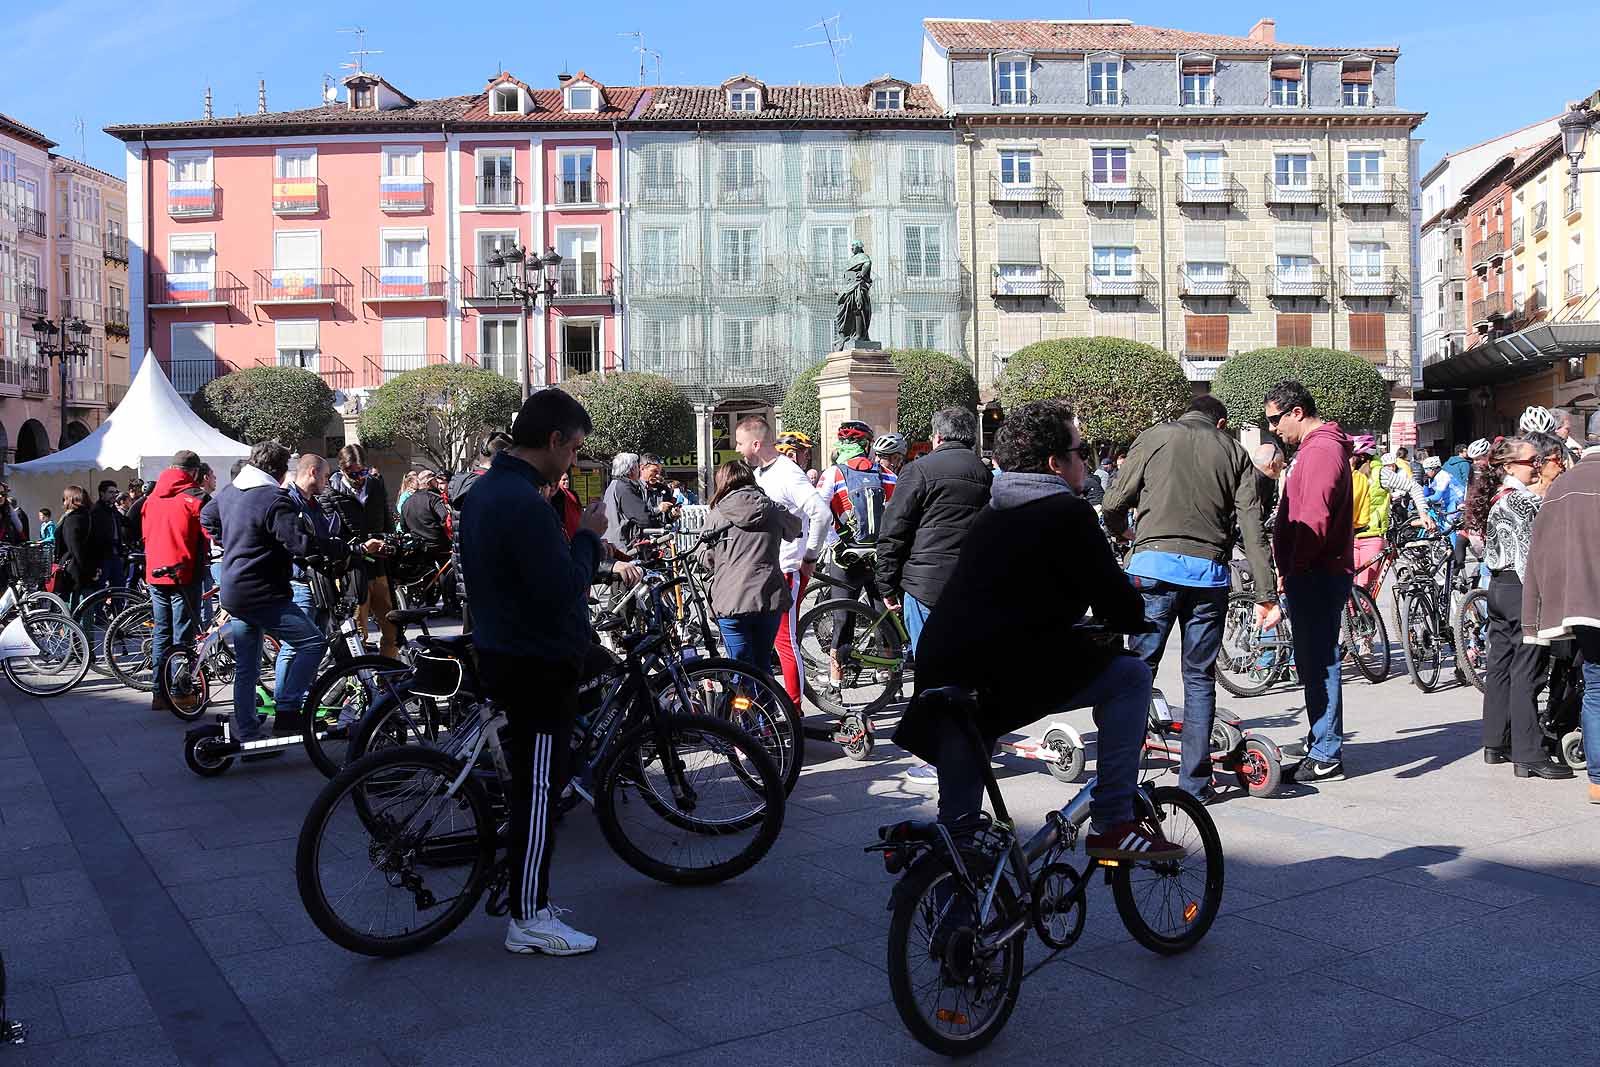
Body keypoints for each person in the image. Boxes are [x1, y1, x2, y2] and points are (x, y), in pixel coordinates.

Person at [893, 399, 1183, 861]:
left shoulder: (993, 512)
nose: (1086, 460)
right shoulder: (1067, 513)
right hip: (999, 672)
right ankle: (1112, 821)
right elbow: (1121, 608)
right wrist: (1125, 614)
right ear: (1055, 464)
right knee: (1130, 676)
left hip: (942, 663)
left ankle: (954, 887)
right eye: (1081, 450)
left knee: (960, 825)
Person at [461, 388, 641, 956]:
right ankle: (529, 915)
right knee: (539, 791)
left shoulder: (492, 489)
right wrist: (587, 534)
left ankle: (528, 896)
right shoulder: (522, 500)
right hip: (535, 663)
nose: (573, 462)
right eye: (574, 449)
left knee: (533, 784)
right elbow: (564, 585)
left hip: (506, 649)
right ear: (555, 439)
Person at [1104, 394, 1278, 801]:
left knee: (1137, 672)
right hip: (1208, 577)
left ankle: (1122, 776)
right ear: (1221, 424)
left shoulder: (1155, 437)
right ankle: (1195, 784)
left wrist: (1122, 533)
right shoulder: (1234, 451)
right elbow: (1252, 526)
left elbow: (1114, 500)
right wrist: (1266, 594)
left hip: (1153, 570)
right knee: (1199, 677)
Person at [876, 408, 993, 786]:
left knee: (930, 671)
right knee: (967, 670)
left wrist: (886, 585)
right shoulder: (984, 473)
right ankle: (973, 745)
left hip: (926, 584)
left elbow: (894, 529)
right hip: (971, 586)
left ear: (937, 436)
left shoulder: (920, 470)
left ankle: (935, 756)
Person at [201, 441, 345, 744]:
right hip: (261, 591)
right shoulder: (273, 498)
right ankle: (289, 712)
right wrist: (339, 548)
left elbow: (207, 516)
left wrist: (232, 542)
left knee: (247, 666)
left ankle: (249, 730)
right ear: (281, 472)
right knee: (312, 642)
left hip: (234, 589)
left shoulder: (230, 491)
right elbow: (300, 544)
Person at [1264, 380, 1354, 783]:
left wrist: (1294, 569)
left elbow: (1313, 520)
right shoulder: (1314, 450)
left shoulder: (1320, 451)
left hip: (1315, 574)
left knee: (1319, 663)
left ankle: (1326, 754)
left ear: (1296, 412)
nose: (1272, 430)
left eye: (1274, 420)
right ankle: (1322, 738)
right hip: (1313, 572)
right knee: (1315, 661)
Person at [1470, 434, 1573, 781]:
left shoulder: (1499, 497)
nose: (1538, 466)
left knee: (1501, 665)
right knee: (1528, 668)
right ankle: (1529, 753)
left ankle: (1495, 743)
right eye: (1533, 462)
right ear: (1510, 465)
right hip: (1522, 589)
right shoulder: (1521, 501)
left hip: (1500, 586)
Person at [1522, 411, 1600, 803]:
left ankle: (1598, 781)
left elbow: (1541, 551)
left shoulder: (1564, 485)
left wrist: (1541, 609)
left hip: (1580, 605)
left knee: (1596, 686)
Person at [734, 415, 831, 705]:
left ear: (755, 443)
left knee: (784, 642)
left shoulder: (788, 473)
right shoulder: (761, 473)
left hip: (787, 569)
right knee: (768, 643)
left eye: (739, 443)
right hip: (765, 571)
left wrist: (810, 556)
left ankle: (794, 710)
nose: (737, 449)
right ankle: (771, 708)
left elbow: (821, 514)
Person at [696, 459, 802, 669]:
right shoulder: (772, 508)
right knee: (763, 667)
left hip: (730, 600)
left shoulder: (717, 514)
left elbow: (705, 557)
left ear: (723, 482)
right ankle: (767, 702)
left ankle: (741, 699)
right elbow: (796, 528)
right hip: (768, 596)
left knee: (739, 669)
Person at [817, 421, 898, 692]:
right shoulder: (886, 475)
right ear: (867, 445)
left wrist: (834, 544)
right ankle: (887, 675)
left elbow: (818, 513)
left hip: (845, 557)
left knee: (842, 618)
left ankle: (835, 683)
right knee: (883, 613)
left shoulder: (832, 474)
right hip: (879, 557)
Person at [141, 451, 210, 712]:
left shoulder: (151, 498)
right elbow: (212, 532)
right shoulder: (196, 497)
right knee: (183, 635)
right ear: (193, 472)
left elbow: (145, 535)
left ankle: (159, 694)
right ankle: (181, 693)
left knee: (162, 633)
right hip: (183, 572)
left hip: (155, 572)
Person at [322, 443, 396, 657]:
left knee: (392, 627)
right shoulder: (330, 492)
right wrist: (361, 548)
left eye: (362, 471)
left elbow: (387, 523)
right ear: (342, 469)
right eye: (352, 473)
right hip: (352, 572)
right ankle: (360, 684)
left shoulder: (376, 485)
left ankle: (390, 677)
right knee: (356, 633)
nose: (359, 477)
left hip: (379, 568)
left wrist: (387, 541)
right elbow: (331, 539)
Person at [51, 486, 102, 605]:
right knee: (87, 606)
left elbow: (75, 548)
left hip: (75, 570)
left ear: (70, 499)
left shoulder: (73, 519)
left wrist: (88, 569)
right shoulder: (89, 516)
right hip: (87, 567)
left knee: (74, 610)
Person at [602, 453, 651, 558]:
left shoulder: (614, 485)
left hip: (615, 544)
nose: (639, 471)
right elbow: (643, 518)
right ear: (632, 469)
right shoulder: (624, 488)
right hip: (623, 548)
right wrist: (659, 512)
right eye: (638, 467)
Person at [400, 468, 450, 558]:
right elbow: (446, 518)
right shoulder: (434, 498)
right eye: (435, 481)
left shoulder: (406, 502)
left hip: (417, 547)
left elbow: (404, 527)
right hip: (438, 546)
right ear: (429, 483)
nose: (438, 485)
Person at [91, 479, 125, 591]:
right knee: (100, 590)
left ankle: (117, 609)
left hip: (115, 554)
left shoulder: (113, 509)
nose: (114, 495)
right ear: (102, 493)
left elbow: (126, 522)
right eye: (111, 492)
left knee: (119, 588)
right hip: (103, 557)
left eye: (115, 492)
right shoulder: (96, 510)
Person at [1251, 441, 1285, 531]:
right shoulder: (1249, 482)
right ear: (1272, 465)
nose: (1284, 465)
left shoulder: (1270, 479)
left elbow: (1269, 507)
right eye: (1281, 463)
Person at [639, 454, 678, 523]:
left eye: (659, 472)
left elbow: (667, 518)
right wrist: (658, 509)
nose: (657, 475)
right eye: (654, 471)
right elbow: (637, 515)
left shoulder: (664, 489)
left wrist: (673, 514)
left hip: (661, 532)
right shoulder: (633, 488)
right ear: (642, 468)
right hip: (641, 532)